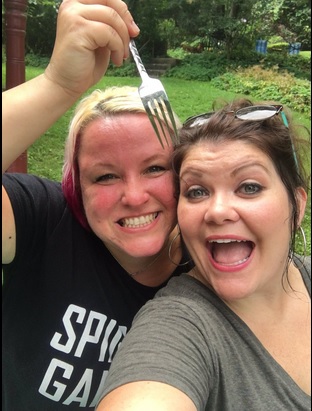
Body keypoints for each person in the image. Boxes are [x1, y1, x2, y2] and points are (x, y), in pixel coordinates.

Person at [2, 1, 193, 410]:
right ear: (76, 187)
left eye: (156, 167)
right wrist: (56, 84)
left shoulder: (209, 266)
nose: (135, 196)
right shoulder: (44, 221)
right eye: (105, 176)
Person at [97, 100, 311, 411]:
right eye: (197, 191)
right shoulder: (177, 324)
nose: (218, 211)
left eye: (249, 187)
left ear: (296, 205)